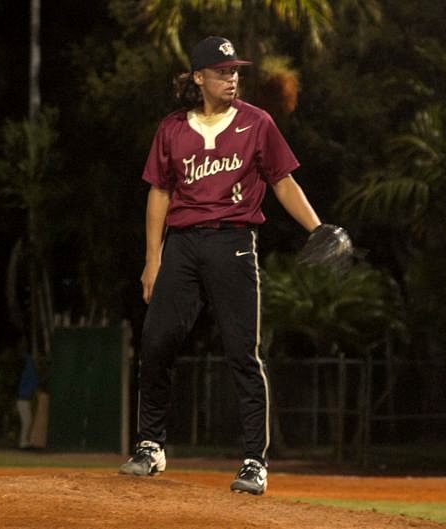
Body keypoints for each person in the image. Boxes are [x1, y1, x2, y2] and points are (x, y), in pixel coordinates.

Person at [118, 36, 322, 495]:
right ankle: (150, 445)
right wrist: (153, 259)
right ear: (198, 77)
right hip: (183, 246)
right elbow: (159, 194)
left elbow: (282, 182)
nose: (232, 78)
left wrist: (317, 228)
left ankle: (254, 461)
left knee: (242, 352)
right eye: (222, 71)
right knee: (156, 342)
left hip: (233, 242)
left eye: (235, 71)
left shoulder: (257, 123)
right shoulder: (172, 128)